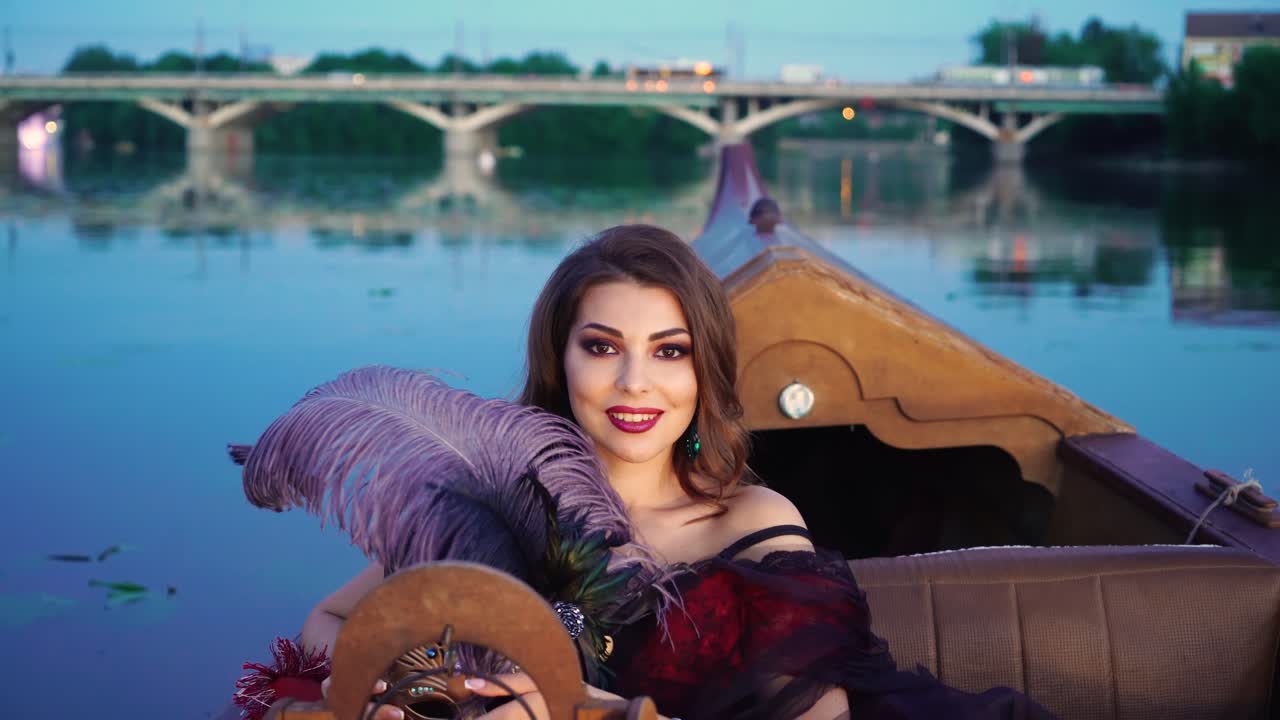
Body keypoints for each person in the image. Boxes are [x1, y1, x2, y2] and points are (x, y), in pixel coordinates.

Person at [240, 224, 1051, 720]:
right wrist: (437, 690)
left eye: (670, 352)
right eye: (602, 347)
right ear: (560, 365)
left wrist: (580, 705)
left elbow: (821, 714)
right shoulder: (496, 511)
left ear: (705, 374)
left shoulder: (752, 522)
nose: (635, 385)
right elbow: (330, 627)